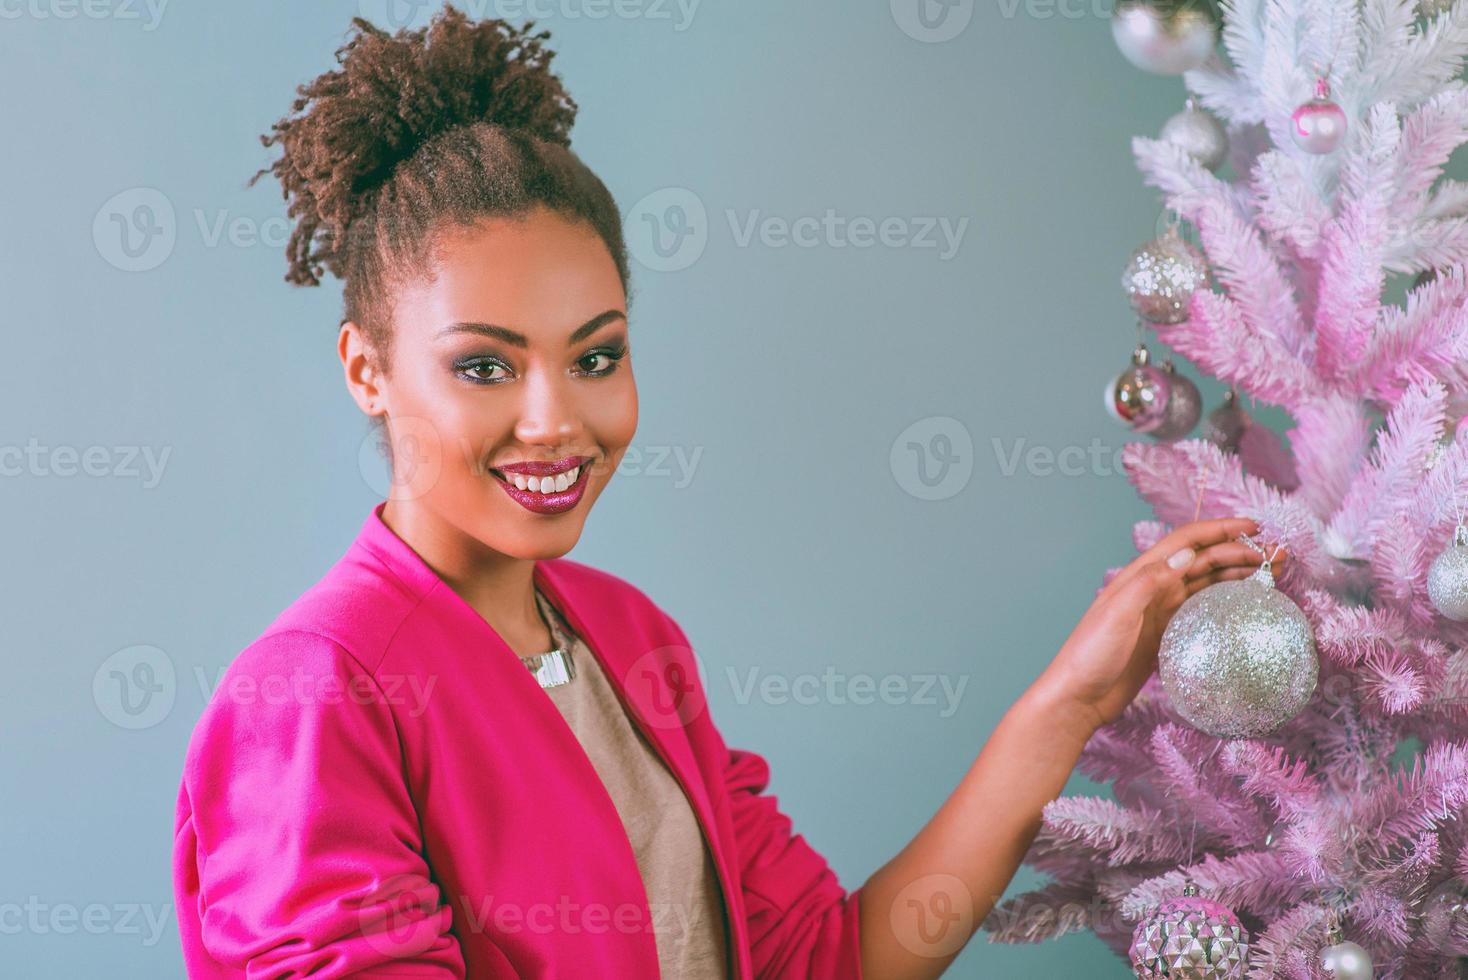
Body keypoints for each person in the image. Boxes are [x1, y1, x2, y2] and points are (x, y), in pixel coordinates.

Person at [170, 7, 1284, 978]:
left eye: (596, 355)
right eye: (484, 365)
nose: (555, 416)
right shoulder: (317, 689)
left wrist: (1072, 702)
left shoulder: (626, 632)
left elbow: (828, 959)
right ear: (367, 366)